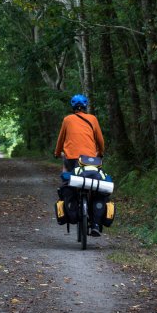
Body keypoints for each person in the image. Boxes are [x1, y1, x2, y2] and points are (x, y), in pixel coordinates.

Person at [53, 93, 106, 236]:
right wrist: (101, 152)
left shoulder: (67, 119)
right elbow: (100, 140)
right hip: (90, 159)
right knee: (94, 183)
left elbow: (61, 139)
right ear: (85, 107)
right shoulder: (93, 119)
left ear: (73, 107)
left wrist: (57, 152)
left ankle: (71, 203)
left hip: (71, 158)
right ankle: (95, 222)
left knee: (68, 176)